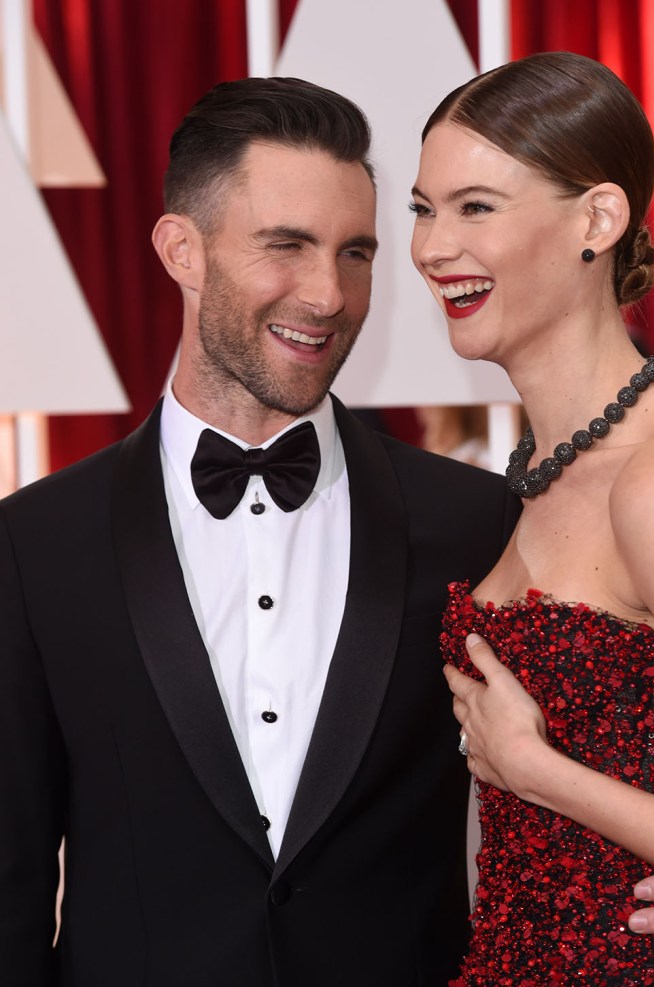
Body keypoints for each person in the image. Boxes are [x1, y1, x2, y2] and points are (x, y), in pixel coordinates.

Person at [0, 78, 519, 986]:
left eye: (356, 252)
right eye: (286, 245)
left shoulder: (477, 522)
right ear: (180, 249)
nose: (328, 294)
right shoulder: (33, 543)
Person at [410, 51, 654, 985]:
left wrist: (536, 767)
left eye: (475, 207)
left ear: (598, 220)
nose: (432, 247)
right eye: (422, 207)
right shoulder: (526, 478)